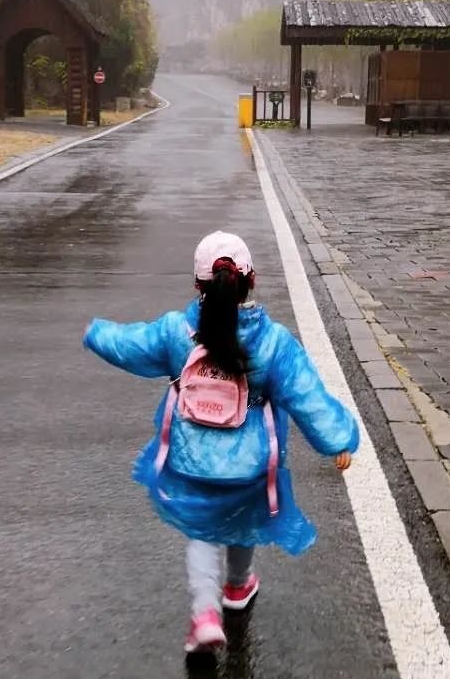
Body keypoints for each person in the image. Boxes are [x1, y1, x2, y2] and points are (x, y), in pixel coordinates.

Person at [83, 230, 359, 656]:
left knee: (201, 532)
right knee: (242, 523)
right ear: (252, 279)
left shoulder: (178, 332)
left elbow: (129, 344)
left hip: (191, 461)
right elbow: (309, 399)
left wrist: (95, 332)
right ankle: (238, 586)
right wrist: (338, 440)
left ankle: (205, 615)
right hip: (249, 465)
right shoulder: (273, 342)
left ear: (198, 286)